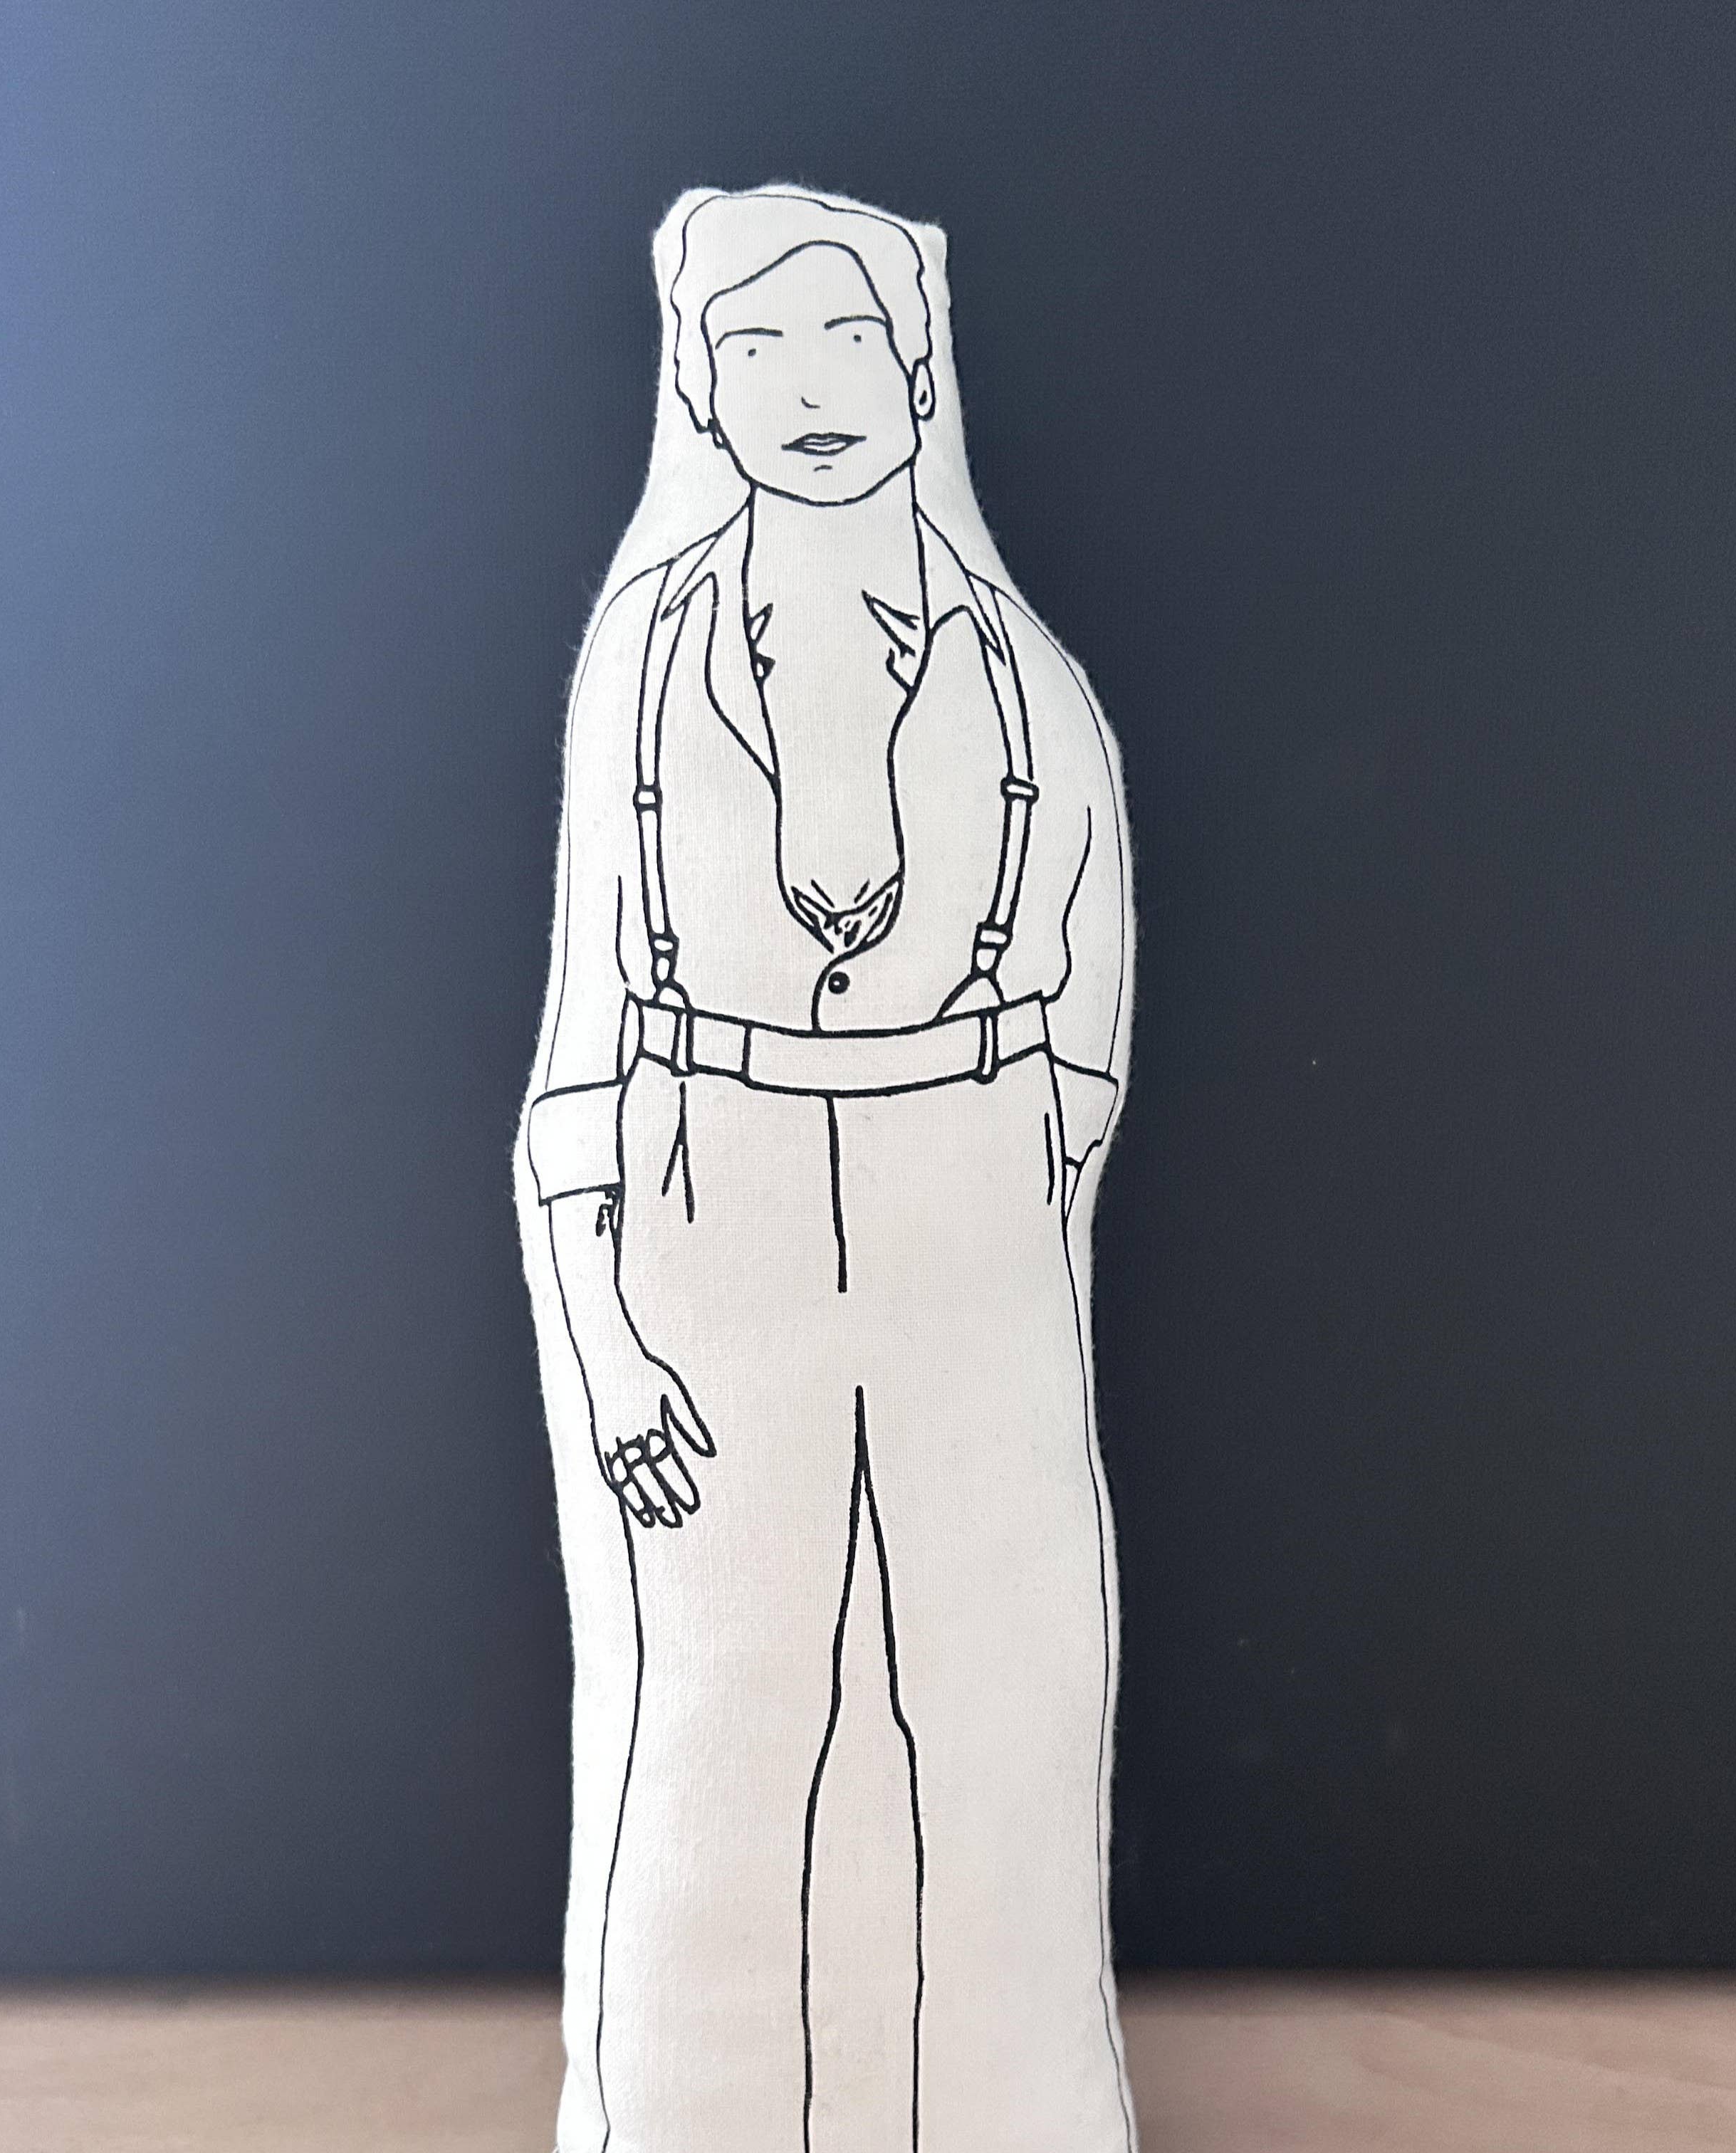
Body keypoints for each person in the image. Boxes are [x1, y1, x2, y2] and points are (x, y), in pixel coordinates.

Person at [518, 185, 1135, 2153]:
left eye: (850, 337)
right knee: (709, 1708)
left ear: (920, 364)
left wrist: (998, 1187)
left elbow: (1089, 1018)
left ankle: (1011, 2113)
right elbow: (584, 1033)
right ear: (697, 383)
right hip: (715, 1205)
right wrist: (609, 1337)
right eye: (757, 346)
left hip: (968, 1205)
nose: (810, 386)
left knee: (1006, 1697)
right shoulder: (645, 661)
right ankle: (678, 2113)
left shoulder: (1026, 677)